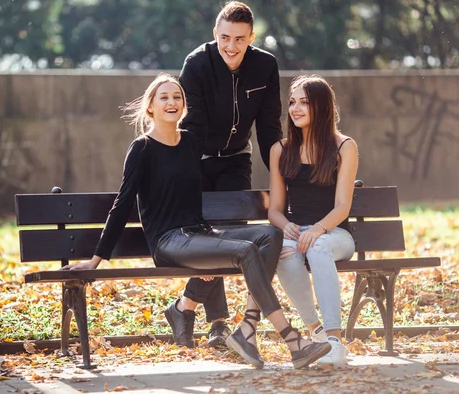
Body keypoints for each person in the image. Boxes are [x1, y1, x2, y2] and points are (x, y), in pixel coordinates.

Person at [62, 73, 330, 369]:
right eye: (163, 97)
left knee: (269, 235)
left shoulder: (190, 142)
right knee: (244, 250)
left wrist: (209, 248)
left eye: (177, 97)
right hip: (169, 241)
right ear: (150, 106)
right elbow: (122, 204)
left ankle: (242, 328)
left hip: (198, 234)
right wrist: (96, 259)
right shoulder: (142, 149)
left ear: (184, 106)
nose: (171, 102)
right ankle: (291, 338)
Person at [176, 0, 283, 348]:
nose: (231, 47)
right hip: (198, 159)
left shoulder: (265, 66)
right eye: (224, 38)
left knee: (233, 238)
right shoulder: (197, 64)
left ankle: (185, 305)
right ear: (215, 34)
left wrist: (282, 179)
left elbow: (268, 129)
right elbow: (191, 127)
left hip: (237, 159)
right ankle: (218, 324)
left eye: (239, 39)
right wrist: (188, 178)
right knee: (209, 238)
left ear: (251, 37)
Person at [268, 75, 359, 367]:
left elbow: (343, 207)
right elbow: (275, 210)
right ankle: (315, 331)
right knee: (283, 251)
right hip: (298, 234)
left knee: (318, 246)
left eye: (304, 103)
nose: (295, 108)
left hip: (334, 235)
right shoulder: (280, 150)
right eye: (292, 102)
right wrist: (286, 227)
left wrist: (318, 230)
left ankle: (334, 341)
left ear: (321, 106)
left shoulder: (344, 146)